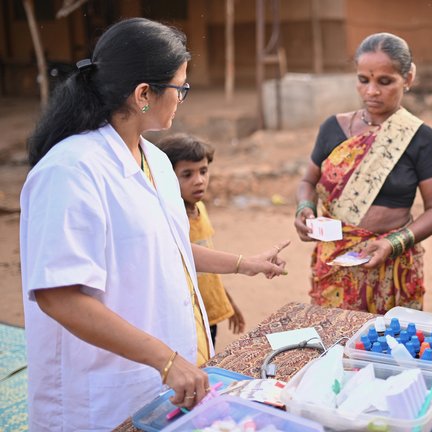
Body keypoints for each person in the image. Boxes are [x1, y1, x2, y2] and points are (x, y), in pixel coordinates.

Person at [20, 18, 288, 430]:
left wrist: (244, 263)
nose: (183, 98)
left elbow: (168, 246)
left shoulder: (157, 161)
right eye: (180, 87)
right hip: (97, 393)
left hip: (153, 380)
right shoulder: (71, 171)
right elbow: (60, 295)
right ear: (144, 93)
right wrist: (165, 360)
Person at [294, 32, 432, 314]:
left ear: (408, 78)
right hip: (335, 264)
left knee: (391, 350)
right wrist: (305, 207)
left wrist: (392, 243)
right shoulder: (333, 128)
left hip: (394, 267)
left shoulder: (420, 138)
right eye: (364, 80)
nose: (372, 91)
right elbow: (308, 181)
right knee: (334, 347)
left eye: (385, 81)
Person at [158, 134, 246, 347]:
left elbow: (208, 265)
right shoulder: (168, 219)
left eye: (203, 171)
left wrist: (227, 302)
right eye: (187, 174)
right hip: (185, 315)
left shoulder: (201, 210)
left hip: (208, 312)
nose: (199, 180)